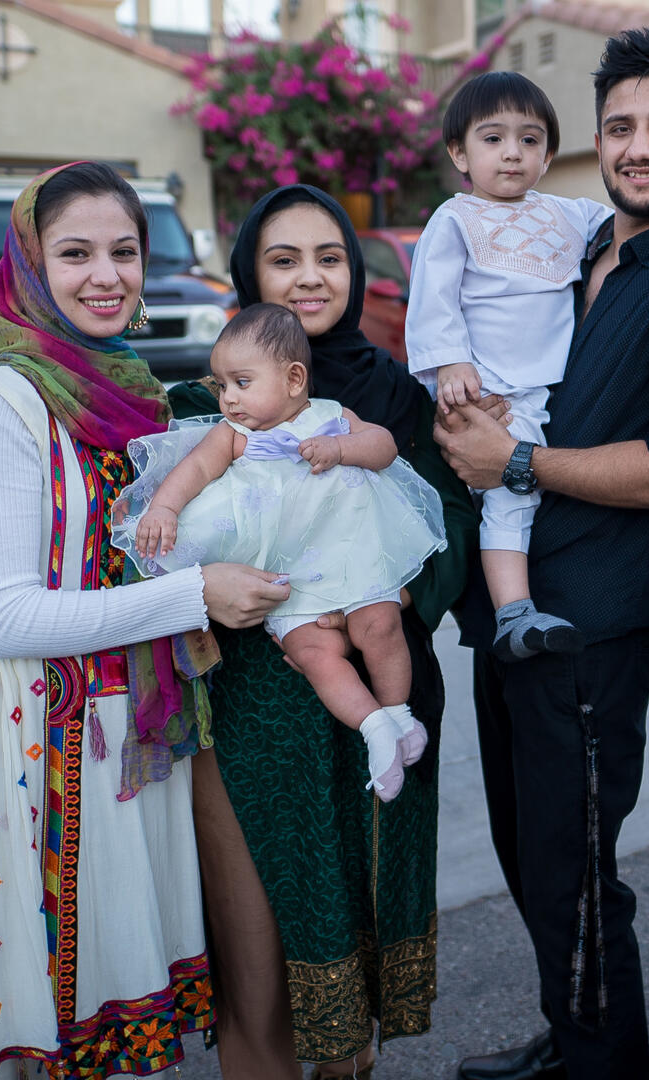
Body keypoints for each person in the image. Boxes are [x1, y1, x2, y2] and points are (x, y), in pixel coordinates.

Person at [0, 161, 290, 1077]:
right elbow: (8, 616)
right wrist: (198, 595)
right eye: (75, 253)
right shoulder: (3, 401)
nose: (106, 276)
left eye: (124, 252)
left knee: (108, 981)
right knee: (50, 1003)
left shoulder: (126, 387)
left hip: (118, 723)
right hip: (27, 732)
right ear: (29, 264)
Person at [432, 29, 649, 1080]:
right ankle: (575, 1037)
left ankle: (607, 1067)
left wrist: (514, 461)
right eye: (621, 125)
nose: (639, 145)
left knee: (573, 867)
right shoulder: (573, 246)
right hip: (508, 609)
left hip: (593, 626)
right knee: (530, 853)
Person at [176, 185, 481, 1078]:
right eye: (284, 259)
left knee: (364, 901)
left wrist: (386, 608)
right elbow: (186, 524)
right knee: (263, 922)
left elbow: (451, 513)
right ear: (248, 274)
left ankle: (352, 1066)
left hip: (380, 671)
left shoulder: (392, 390)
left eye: (330, 257)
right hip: (257, 694)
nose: (311, 278)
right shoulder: (219, 394)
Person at [115, 302, 445, 801]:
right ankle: (374, 725)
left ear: (294, 379)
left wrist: (341, 450)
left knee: (380, 626)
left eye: (241, 383)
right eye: (222, 385)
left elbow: (384, 448)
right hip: (286, 578)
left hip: (350, 559)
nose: (227, 398)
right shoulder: (234, 435)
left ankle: (398, 711)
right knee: (314, 655)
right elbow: (194, 472)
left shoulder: (331, 417)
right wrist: (162, 508)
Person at [406, 70, 611, 661]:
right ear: (459, 153)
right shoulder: (455, 219)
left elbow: (623, 229)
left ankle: (515, 606)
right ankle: (513, 613)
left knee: (536, 491)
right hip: (489, 386)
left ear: (548, 154)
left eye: (530, 140)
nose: (513, 154)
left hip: (551, 385)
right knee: (509, 495)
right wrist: (448, 363)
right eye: (493, 139)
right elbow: (434, 297)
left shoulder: (566, 214)